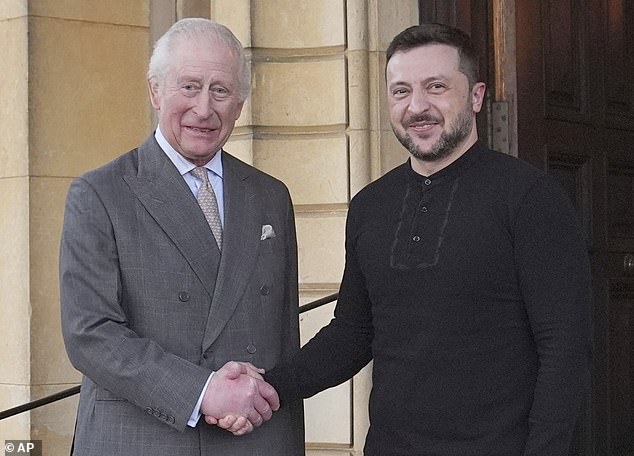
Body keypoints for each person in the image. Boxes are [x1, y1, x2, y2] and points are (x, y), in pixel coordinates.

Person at [223, 22, 593, 455]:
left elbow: (565, 347)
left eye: (435, 86)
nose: (417, 106)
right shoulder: (369, 206)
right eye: (400, 91)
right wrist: (269, 388)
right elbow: (353, 334)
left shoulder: (529, 198)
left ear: (476, 96)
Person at [59, 18, 304, 455]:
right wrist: (203, 391)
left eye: (221, 91)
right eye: (189, 87)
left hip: (254, 441)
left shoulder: (271, 196)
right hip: (143, 441)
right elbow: (89, 333)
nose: (204, 109)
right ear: (155, 91)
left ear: (240, 104)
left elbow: (283, 339)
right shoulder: (100, 193)